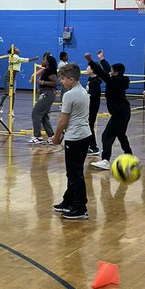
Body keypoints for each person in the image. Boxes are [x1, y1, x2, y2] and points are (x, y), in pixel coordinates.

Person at [50, 62, 91, 221]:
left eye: (63, 78)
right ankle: (69, 201)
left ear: (71, 79)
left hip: (75, 138)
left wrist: (56, 137)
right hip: (84, 135)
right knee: (74, 172)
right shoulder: (83, 91)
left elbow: (63, 120)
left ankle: (80, 207)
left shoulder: (69, 95)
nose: (61, 81)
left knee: (74, 174)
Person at [86, 52, 134, 170]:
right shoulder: (119, 79)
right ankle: (129, 156)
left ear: (116, 73)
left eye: (112, 71)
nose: (109, 72)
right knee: (121, 135)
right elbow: (107, 70)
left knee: (106, 136)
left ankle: (106, 160)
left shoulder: (114, 81)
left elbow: (102, 73)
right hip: (125, 112)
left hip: (119, 114)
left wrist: (91, 61)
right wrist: (102, 59)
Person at [30, 52, 58, 145]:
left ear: (48, 62)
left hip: (48, 94)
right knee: (44, 116)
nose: (42, 61)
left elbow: (54, 83)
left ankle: (38, 137)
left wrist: (42, 82)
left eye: (44, 60)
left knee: (36, 113)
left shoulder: (50, 71)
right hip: (46, 93)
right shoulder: (46, 70)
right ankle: (51, 136)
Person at [86, 53, 110, 155]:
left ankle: (93, 147)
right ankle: (90, 145)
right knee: (88, 125)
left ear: (93, 69)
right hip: (89, 106)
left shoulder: (95, 82)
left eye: (88, 67)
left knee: (90, 125)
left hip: (92, 107)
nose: (87, 68)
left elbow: (92, 96)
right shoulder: (90, 80)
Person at [0, 50, 29, 115]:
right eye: (16, 49)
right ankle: (0, 105)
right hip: (8, 77)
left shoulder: (17, 57)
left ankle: (11, 110)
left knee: (13, 93)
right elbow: (22, 60)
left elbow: (21, 60)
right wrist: (33, 59)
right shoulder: (13, 56)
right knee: (7, 93)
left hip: (13, 78)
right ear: (14, 51)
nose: (18, 49)